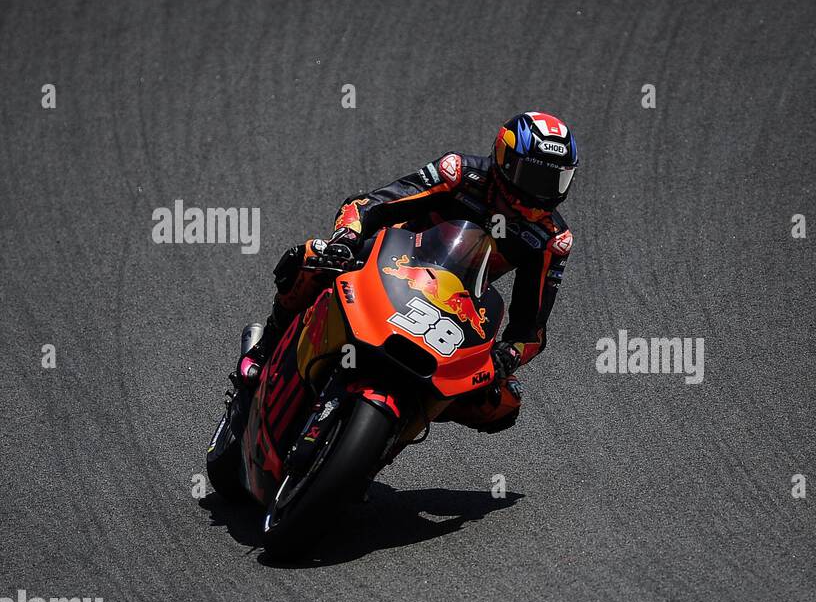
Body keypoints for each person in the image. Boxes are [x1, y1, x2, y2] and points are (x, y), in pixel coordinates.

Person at [238, 111, 578, 433]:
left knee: (501, 403)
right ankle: (264, 347)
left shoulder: (550, 239)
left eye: (555, 180)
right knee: (312, 258)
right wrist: (346, 238)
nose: (540, 192)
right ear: (504, 159)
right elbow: (369, 205)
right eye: (533, 176)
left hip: (453, 304)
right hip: (388, 262)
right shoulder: (459, 173)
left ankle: (385, 437)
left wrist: (510, 355)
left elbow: (530, 330)